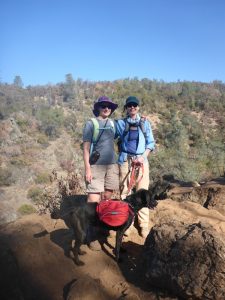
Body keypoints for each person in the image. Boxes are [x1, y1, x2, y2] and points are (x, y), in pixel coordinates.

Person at [83, 96, 119, 250]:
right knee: (93, 202)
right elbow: (85, 148)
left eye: (109, 107)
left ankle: (102, 229)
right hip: (96, 166)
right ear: (98, 107)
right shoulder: (91, 124)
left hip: (112, 165)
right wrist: (87, 169)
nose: (106, 109)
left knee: (106, 199)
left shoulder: (112, 123)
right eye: (103, 106)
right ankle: (91, 235)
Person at [116, 96, 155, 238]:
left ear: (138, 107)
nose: (132, 107)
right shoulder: (120, 123)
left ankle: (143, 225)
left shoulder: (145, 122)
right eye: (129, 105)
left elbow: (150, 143)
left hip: (141, 160)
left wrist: (142, 157)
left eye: (135, 105)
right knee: (125, 191)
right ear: (126, 108)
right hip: (125, 160)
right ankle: (126, 223)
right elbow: (109, 135)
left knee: (142, 191)